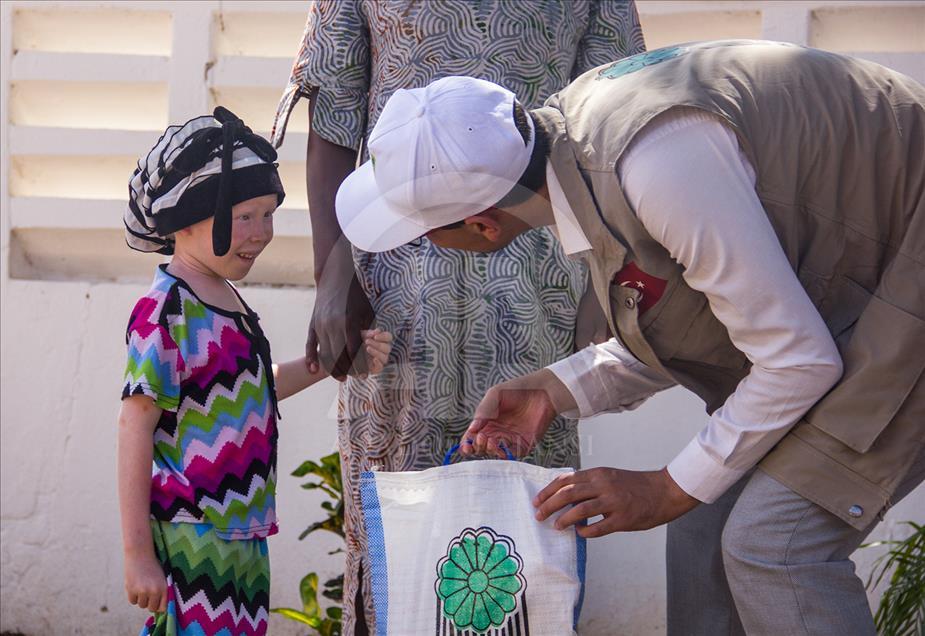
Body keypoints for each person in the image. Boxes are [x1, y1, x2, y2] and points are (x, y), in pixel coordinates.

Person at [333, 42, 925, 635]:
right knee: (704, 526)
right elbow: (702, 318)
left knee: (774, 546)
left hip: (907, 267)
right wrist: (553, 391)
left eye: (423, 233)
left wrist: (664, 489)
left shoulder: (656, 165)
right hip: (864, 287)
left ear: (482, 224)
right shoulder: (577, 140)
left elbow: (795, 362)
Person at [271, 2, 645, 632]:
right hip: (394, 269)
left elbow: (611, 112)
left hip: (539, 277)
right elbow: (334, 108)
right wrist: (333, 273)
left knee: (525, 512)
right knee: (397, 517)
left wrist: (603, 282)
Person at [117, 108, 391, 636]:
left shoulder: (226, 299)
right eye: (246, 216)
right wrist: (137, 554)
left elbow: (253, 391)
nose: (262, 233)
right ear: (188, 219)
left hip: (243, 531)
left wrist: (333, 362)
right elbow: (135, 426)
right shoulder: (166, 311)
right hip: (191, 531)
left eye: (270, 214)